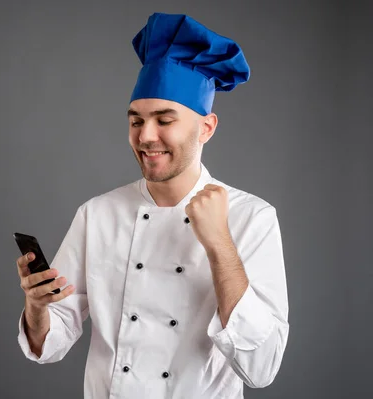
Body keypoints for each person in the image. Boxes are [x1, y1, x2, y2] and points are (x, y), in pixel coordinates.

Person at [15, 13, 289, 399]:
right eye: (136, 120)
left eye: (164, 120)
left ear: (206, 128)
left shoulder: (252, 218)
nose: (146, 136)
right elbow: (51, 342)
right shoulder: (98, 214)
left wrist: (219, 244)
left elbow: (261, 367)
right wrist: (37, 306)